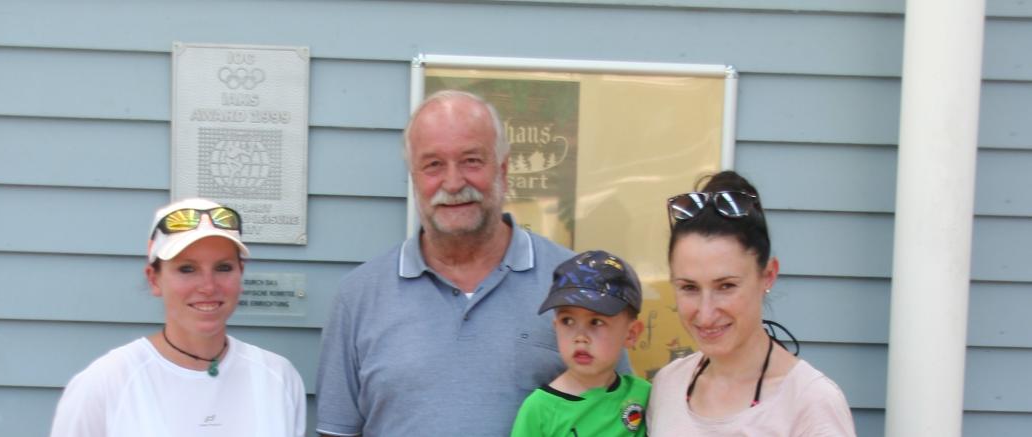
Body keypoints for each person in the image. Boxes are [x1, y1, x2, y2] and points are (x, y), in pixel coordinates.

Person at [314, 90, 630, 436]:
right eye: (433, 165)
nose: (453, 183)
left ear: (503, 170)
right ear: (414, 177)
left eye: (471, 161)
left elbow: (619, 416)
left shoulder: (577, 283)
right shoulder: (359, 297)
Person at [50, 198, 307, 437]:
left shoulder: (278, 377)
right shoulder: (105, 383)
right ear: (154, 279)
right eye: (187, 269)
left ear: (241, 273)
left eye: (223, 268)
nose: (208, 286)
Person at [647, 171, 856, 436]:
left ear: (768, 275)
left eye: (726, 286)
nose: (706, 313)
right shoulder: (668, 386)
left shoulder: (810, 402)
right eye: (689, 287)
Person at [511, 250, 650, 436]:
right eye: (567, 321)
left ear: (631, 334)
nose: (580, 337)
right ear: (556, 326)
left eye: (596, 322)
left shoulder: (646, 396)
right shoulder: (538, 410)